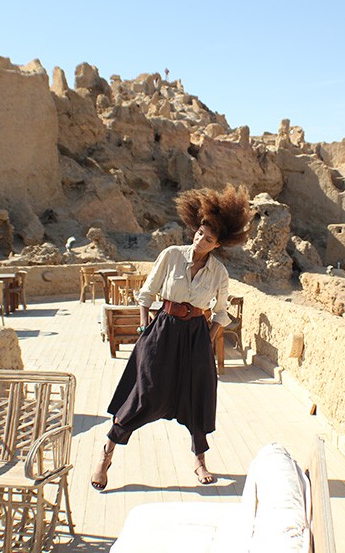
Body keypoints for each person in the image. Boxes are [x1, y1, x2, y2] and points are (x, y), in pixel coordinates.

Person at [91, 185, 253, 490]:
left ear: (218, 244)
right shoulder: (171, 255)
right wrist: (144, 327)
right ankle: (107, 453)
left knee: (198, 395)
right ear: (194, 228)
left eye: (209, 239)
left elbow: (220, 312)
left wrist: (208, 337)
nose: (200, 241)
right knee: (146, 394)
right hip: (162, 329)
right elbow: (146, 293)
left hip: (196, 336)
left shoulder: (219, 273)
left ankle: (200, 461)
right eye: (199, 233)